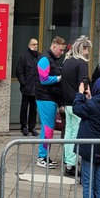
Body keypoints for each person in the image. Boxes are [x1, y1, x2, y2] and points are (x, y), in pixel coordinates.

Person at [60, 36, 91, 176]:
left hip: (67, 102)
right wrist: (87, 95)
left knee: (69, 132)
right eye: (87, 49)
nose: (88, 52)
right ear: (82, 48)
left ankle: (68, 162)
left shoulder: (66, 62)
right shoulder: (82, 63)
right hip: (77, 102)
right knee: (76, 133)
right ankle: (71, 165)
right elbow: (82, 83)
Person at [35, 36, 67, 169]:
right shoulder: (44, 59)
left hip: (50, 98)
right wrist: (60, 78)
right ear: (54, 47)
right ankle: (42, 157)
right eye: (61, 50)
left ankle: (45, 156)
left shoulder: (52, 59)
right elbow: (44, 79)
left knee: (49, 128)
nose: (62, 52)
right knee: (47, 128)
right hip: (45, 98)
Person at [16, 38, 40, 136]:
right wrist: (24, 83)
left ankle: (32, 127)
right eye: (34, 44)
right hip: (26, 88)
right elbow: (19, 71)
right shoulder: (24, 56)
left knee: (34, 109)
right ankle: (23, 127)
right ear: (29, 45)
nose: (35, 46)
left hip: (36, 88)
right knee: (24, 108)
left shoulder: (39, 56)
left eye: (37, 44)